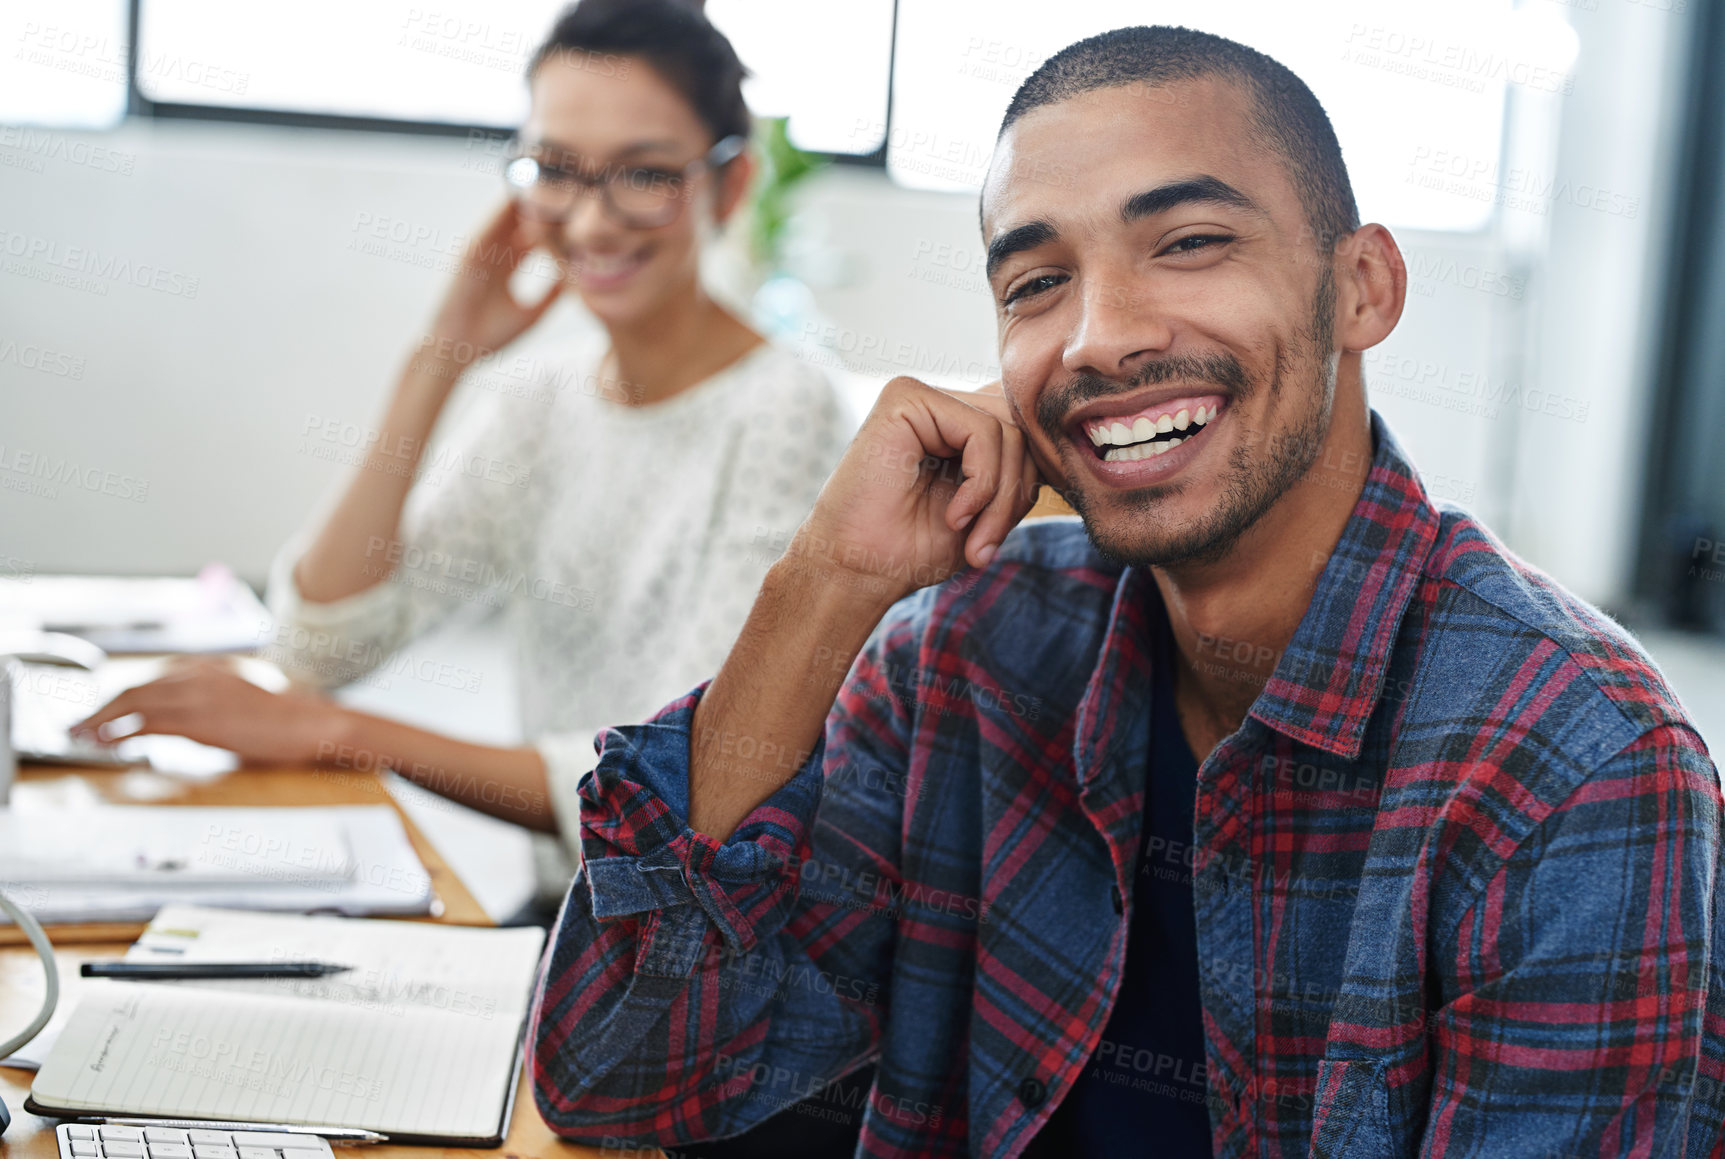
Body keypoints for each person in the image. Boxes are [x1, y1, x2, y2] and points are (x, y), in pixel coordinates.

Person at [523, 25, 1725, 1157]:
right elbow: (621, 1072)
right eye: (1035, 283)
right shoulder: (962, 650)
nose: (1097, 337)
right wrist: (824, 585)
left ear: (1362, 286)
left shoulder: (1580, 762)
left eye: (1190, 241)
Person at [71, 0, 851, 884]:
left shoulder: (788, 406)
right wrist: (437, 361)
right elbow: (321, 648)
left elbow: (681, 781)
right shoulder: (539, 401)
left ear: (731, 184)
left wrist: (340, 735)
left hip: (693, 940)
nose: (591, 224)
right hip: (572, 916)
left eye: (643, 175)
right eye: (555, 170)